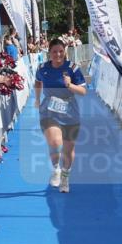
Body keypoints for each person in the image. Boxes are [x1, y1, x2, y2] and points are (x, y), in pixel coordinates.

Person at [34, 38, 88, 194]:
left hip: (70, 110)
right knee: (54, 141)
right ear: (49, 53)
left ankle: (65, 175)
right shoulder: (42, 68)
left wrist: (70, 85)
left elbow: (83, 92)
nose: (58, 54)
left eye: (61, 51)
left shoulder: (73, 68)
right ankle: (56, 169)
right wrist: (37, 99)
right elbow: (38, 82)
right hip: (49, 110)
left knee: (68, 149)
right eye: (54, 52)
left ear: (65, 52)